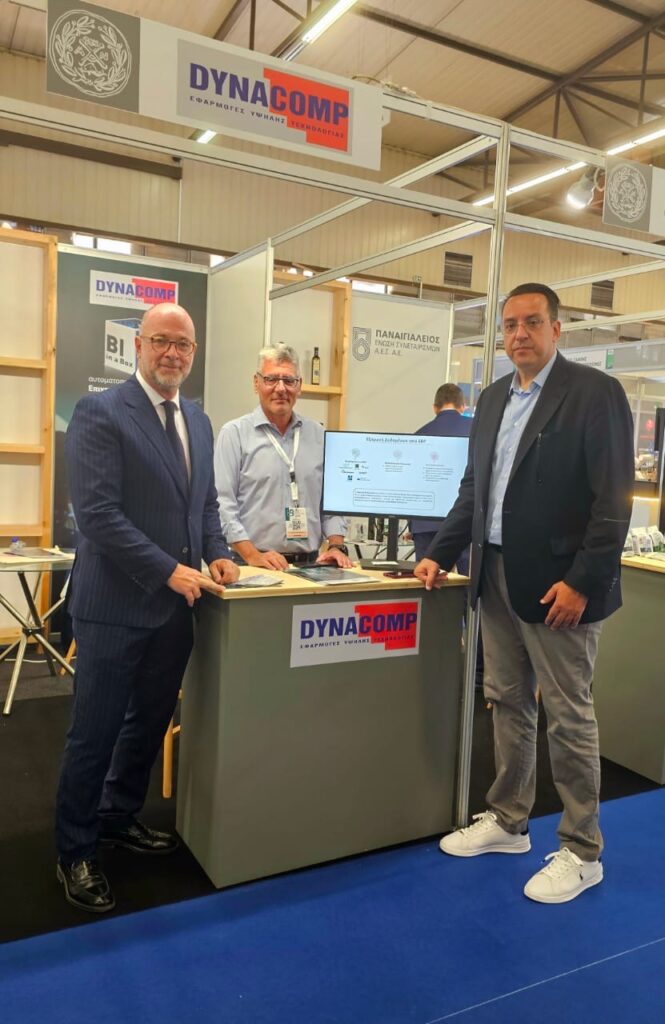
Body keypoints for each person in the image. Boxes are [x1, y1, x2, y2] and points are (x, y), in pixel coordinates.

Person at [415, 282, 634, 904]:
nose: (519, 335)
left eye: (532, 322)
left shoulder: (593, 393)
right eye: (510, 325)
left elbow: (613, 501)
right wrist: (438, 553)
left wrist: (583, 583)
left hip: (561, 587)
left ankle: (582, 850)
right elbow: (474, 492)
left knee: (567, 714)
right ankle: (510, 821)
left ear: (557, 328)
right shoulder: (491, 400)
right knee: (506, 701)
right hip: (494, 575)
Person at [56, 302, 239, 914]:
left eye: (183, 344)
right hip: (113, 607)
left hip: (175, 612)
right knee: (95, 732)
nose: (172, 353)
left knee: (148, 724)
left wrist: (218, 554)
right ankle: (75, 850)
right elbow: (98, 515)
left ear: (194, 352)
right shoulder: (100, 412)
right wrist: (167, 569)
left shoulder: (198, 420)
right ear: (138, 345)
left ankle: (117, 816)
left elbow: (203, 507)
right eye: (161, 340)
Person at [215, 344, 352, 569]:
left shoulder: (318, 435)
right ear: (256, 383)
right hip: (252, 565)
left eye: (289, 380)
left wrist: (336, 546)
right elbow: (222, 504)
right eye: (271, 379)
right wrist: (252, 556)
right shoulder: (234, 434)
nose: (281, 388)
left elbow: (332, 502)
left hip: (311, 565)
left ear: (299, 386)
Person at [410, 382, 472, 568]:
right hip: (464, 522)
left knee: (427, 578)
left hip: (425, 522)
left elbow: (412, 482)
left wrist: (412, 524)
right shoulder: (477, 430)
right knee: (466, 579)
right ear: (462, 406)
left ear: (435, 408)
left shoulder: (418, 435)